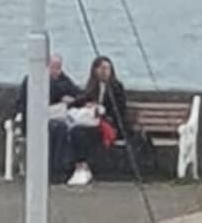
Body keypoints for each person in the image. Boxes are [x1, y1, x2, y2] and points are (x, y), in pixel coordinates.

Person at [16, 54, 81, 177]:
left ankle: (62, 169)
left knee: (67, 129)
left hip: (55, 118)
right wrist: (62, 96)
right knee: (57, 129)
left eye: (58, 67)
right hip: (33, 121)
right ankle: (52, 170)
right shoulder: (32, 80)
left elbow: (76, 93)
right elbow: (29, 101)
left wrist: (71, 99)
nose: (56, 71)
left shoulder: (63, 79)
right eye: (53, 67)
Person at [66, 56, 126, 185]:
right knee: (75, 131)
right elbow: (80, 101)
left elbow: (119, 111)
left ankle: (83, 165)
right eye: (101, 68)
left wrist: (101, 111)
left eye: (107, 68)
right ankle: (80, 165)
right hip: (93, 123)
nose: (104, 72)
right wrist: (83, 105)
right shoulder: (92, 87)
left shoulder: (116, 88)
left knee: (81, 133)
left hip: (109, 126)